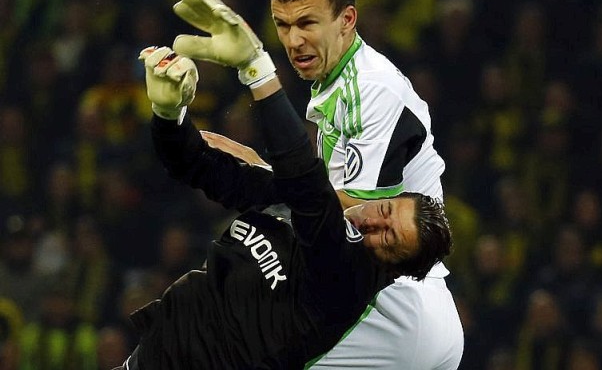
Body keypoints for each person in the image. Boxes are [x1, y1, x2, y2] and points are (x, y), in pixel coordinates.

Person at [172, 0, 464, 368]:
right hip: (401, 314)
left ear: (347, 20)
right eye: (282, 25)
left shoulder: (372, 90)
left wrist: (258, 174)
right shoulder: (337, 83)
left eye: (307, 23)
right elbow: (319, 202)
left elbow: (353, 219)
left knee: (227, 348)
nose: (293, 41)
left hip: (394, 310)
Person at [117, 39, 452, 369]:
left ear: (392, 271)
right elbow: (194, 164)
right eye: (384, 211)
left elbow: (306, 181)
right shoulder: (292, 202)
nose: (374, 224)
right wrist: (169, 113)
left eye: (388, 238)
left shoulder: (349, 277)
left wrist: (259, 72)